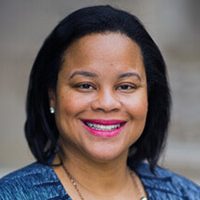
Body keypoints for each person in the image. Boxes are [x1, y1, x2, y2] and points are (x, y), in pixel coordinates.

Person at [0, 5, 199, 200]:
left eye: (126, 86)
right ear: (52, 94)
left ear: (149, 96)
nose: (106, 103)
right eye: (85, 85)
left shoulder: (186, 195)